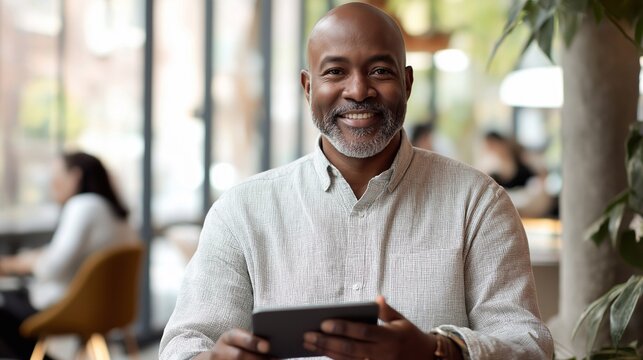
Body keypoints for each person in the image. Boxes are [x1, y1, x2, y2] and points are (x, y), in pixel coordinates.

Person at [160, 3, 553, 359]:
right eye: (335, 71)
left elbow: (530, 345)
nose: (359, 90)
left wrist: (439, 351)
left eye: (380, 71)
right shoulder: (242, 212)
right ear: (308, 87)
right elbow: (185, 342)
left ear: (408, 83)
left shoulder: (478, 204)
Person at [0, 151, 139, 359]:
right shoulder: (116, 214)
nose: (52, 185)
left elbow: (52, 267)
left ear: (75, 176)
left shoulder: (83, 206)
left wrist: (15, 264)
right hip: (109, 310)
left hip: (71, 308)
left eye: (56, 178)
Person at [479, 131, 554, 218]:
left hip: (529, 203)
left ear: (501, 143)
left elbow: (542, 173)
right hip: (510, 208)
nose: (492, 149)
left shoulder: (522, 158)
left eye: (493, 145)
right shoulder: (491, 169)